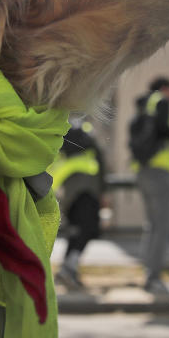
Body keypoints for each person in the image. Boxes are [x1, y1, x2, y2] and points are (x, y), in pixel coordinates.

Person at [131, 77, 169, 295]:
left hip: (143, 171)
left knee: (153, 225)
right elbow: (163, 129)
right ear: (166, 89)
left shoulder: (142, 106)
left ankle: (148, 271)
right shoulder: (161, 101)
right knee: (163, 226)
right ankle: (153, 278)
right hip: (160, 173)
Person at [48, 121, 105, 290]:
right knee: (88, 229)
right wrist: (103, 190)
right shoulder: (87, 135)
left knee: (75, 230)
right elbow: (100, 160)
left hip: (69, 188)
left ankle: (68, 268)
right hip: (88, 187)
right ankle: (69, 267)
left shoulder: (66, 136)